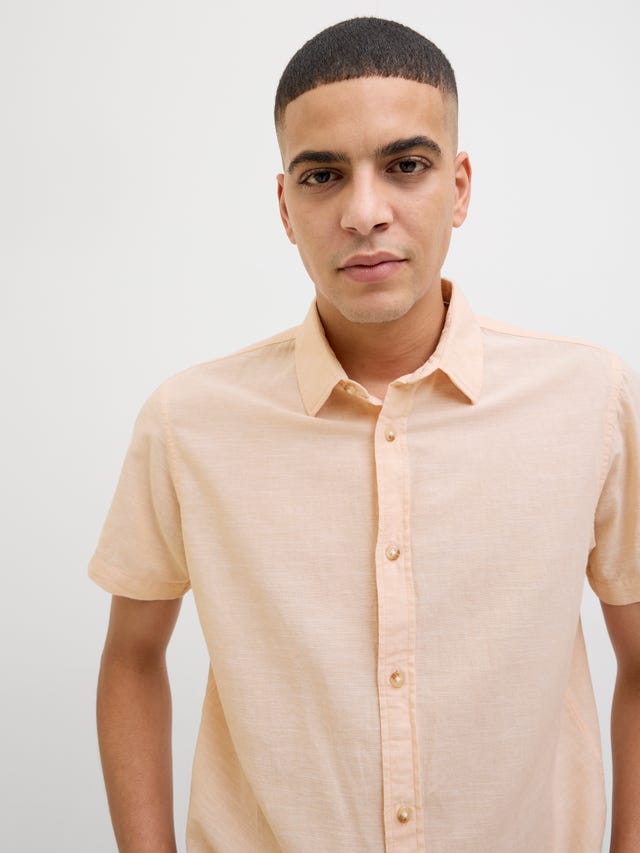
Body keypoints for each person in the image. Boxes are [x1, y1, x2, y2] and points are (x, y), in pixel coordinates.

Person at [90, 16, 640, 853]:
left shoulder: (590, 399)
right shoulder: (187, 422)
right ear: (286, 205)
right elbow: (131, 660)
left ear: (459, 186)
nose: (363, 212)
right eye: (323, 175)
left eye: (405, 165)